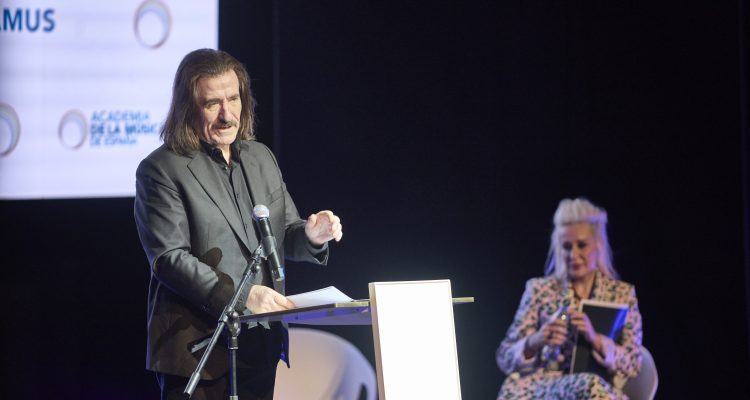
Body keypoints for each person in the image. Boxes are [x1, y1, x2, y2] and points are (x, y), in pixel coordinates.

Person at [134, 48, 343, 400]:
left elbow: (283, 233)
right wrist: (244, 296)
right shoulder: (161, 170)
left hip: (259, 347)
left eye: (233, 99)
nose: (226, 114)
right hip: (197, 351)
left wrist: (310, 235)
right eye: (211, 103)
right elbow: (169, 258)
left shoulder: (261, 157)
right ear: (188, 107)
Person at [496, 198, 642, 399]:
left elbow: (633, 364)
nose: (573, 254)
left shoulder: (622, 295)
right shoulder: (539, 289)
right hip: (543, 389)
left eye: (581, 245)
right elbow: (505, 357)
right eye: (566, 246)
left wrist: (596, 340)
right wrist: (536, 341)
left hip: (596, 389)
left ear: (598, 245)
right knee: (587, 385)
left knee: (591, 385)